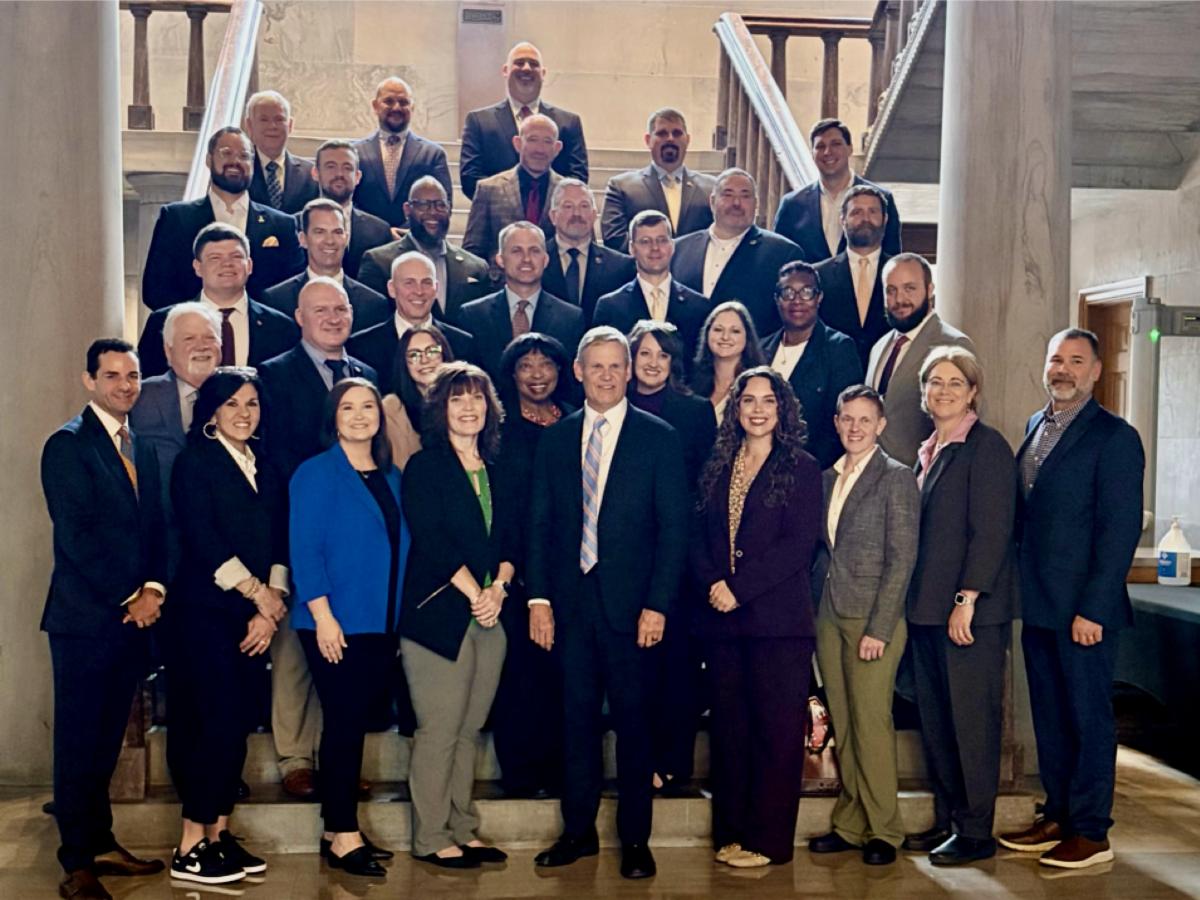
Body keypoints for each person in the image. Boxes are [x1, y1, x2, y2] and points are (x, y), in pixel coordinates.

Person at [528, 327, 689, 880]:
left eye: (616, 365)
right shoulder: (555, 439)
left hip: (634, 609)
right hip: (571, 606)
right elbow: (540, 523)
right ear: (578, 371)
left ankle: (635, 839)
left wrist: (658, 604)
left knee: (634, 725)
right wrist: (539, 598)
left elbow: (674, 529)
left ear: (628, 371)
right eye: (595, 366)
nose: (606, 375)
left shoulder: (659, 438)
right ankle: (578, 832)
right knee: (575, 722)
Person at [998, 329, 1144, 870]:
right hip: (1038, 603)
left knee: (1088, 719)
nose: (1063, 369)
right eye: (1056, 359)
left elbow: (1118, 530)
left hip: (1084, 611)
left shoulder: (1115, 437)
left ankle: (1091, 831)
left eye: (1076, 361)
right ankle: (1058, 814)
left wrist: (1094, 608)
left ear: (1096, 371)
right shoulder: (1036, 426)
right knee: (1051, 716)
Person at [41, 339, 167, 900]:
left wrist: (155, 589)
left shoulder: (143, 446)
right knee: (78, 744)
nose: (124, 385)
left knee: (106, 743)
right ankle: (76, 863)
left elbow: (157, 528)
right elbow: (77, 538)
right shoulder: (68, 445)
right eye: (112, 375)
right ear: (89, 380)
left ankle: (101, 842)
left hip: (132, 623)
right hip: (85, 622)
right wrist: (130, 596)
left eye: (132, 376)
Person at [694, 367, 823, 867]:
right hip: (723, 623)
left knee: (775, 734)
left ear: (783, 408)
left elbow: (798, 546)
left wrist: (739, 589)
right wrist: (713, 583)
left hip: (779, 625)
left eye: (768, 400)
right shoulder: (718, 463)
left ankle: (767, 842)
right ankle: (731, 833)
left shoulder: (802, 467)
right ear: (735, 408)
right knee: (730, 731)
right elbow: (697, 534)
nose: (758, 409)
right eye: (748, 400)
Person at [166, 367, 287, 885]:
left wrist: (271, 605)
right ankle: (190, 844)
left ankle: (218, 833)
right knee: (209, 726)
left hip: (254, 616)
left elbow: (281, 539)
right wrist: (259, 595)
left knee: (235, 727)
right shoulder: (195, 462)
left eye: (252, 403)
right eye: (233, 403)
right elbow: (203, 539)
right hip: (204, 616)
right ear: (212, 411)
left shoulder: (266, 465)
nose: (244, 413)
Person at [900, 347, 1017, 866]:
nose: (943, 391)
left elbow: (991, 532)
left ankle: (975, 832)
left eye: (955, 382)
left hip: (968, 613)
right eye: (935, 382)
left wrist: (967, 599)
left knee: (971, 723)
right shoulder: (930, 449)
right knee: (940, 722)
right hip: (927, 608)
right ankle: (950, 819)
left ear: (972, 392)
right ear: (924, 392)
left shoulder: (986, 448)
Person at [289, 378, 410, 878]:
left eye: (368, 407)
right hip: (334, 620)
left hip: (379, 621)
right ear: (333, 418)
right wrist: (323, 617)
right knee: (342, 724)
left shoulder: (391, 476)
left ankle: (335, 828)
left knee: (353, 723)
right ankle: (343, 833)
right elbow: (304, 549)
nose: (360, 416)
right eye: (348, 408)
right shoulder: (315, 473)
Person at [400, 362, 514, 869]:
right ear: (440, 409)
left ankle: (462, 828)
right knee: (440, 730)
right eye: (457, 398)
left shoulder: (498, 468)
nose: (469, 407)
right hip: (439, 617)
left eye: (477, 397)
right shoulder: (426, 467)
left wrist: (500, 590)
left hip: (491, 615)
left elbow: (512, 540)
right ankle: (431, 836)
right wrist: (477, 595)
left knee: (469, 731)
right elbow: (433, 538)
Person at [808, 385, 919, 867]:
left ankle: (884, 830)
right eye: (847, 419)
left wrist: (880, 627)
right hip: (830, 612)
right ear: (836, 422)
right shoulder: (826, 478)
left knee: (872, 723)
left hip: (873, 619)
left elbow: (902, 559)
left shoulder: (896, 477)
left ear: (881, 425)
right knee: (845, 721)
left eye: (865, 420)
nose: (855, 428)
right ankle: (851, 823)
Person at [627, 320, 716, 793]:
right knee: (634, 669)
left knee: (677, 665)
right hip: (624, 558)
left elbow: (707, 485)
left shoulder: (695, 411)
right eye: (644, 353)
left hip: (679, 557)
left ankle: (674, 762)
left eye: (662, 355)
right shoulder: (612, 406)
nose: (653, 363)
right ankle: (640, 761)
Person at [489, 333, 574, 798]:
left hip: (571, 568)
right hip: (515, 569)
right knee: (520, 674)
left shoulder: (576, 421)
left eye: (546, 365)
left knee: (565, 674)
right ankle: (521, 774)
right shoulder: (499, 429)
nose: (537, 374)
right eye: (526, 366)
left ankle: (559, 770)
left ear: (562, 371)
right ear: (512, 374)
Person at [141, 126, 305, 310]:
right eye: (226, 153)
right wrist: (194, 319)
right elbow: (155, 289)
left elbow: (294, 290)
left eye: (244, 156)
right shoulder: (176, 218)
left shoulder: (282, 224)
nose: (235, 161)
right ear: (209, 160)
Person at [130, 303, 222, 580]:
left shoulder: (243, 396)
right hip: (159, 551)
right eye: (189, 338)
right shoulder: (139, 397)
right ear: (168, 351)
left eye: (209, 337)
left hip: (224, 549)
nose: (201, 346)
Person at [138, 223, 299, 377]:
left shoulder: (282, 327)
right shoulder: (162, 322)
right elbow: (149, 384)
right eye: (215, 258)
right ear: (197, 267)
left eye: (236, 256)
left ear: (249, 265)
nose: (227, 264)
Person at [866, 253, 975, 467]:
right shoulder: (879, 347)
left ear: (930, 289)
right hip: (876, 474)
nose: (899, 299)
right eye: (891, 290)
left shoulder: (952, 344)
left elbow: (966, 425)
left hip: (923, 475)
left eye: (910, 288)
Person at [671, 168, 803, 336]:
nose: (736, 203)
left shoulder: (783, 253)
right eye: (728, 194)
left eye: (745, 196)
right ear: (712, 201)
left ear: (756, 204)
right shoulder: (679, 249)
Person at [759, 261, 863, 469]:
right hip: (757, 466)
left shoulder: (838, 348)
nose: (797, 300)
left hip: (810, 470)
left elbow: (841, 424)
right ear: (777, 299)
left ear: (819, 298)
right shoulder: (761, 349)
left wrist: (807, 471)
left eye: (806, 292)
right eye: (788, 292)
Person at [457, 222, 585, 383]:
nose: (526, 259)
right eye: (516, 251)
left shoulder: (570, 318)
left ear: (545, 260)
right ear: (500, 259)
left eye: (534, 251)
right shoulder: (473, 315)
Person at [460, 41, 588, 199]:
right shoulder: (479, 122)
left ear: (543, 73)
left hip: (551, 214)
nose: (526, 68)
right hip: (498, 213)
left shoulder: (569, 123)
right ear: (505, 70)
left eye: (533, 64)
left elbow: (578, 179)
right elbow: (470, 179)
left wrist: (543, 204)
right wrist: (512, 203)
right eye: (519, 63)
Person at [357, 177, 491, 323]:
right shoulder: (379, 262)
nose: (432, 211)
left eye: (440, 205)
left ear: (449, 209)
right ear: (407, 210)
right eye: (423, 205)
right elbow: (371, 324)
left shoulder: (476, 267)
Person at [773, 118, 902, 262]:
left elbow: (892, 261)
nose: (828, 152)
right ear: (812, 154)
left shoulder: (882, 199)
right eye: (820, 146)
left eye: (836, 144)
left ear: (850, 148)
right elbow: (779, 259)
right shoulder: (791, 205)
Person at [594, 210, 710, 370]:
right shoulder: (610, 307)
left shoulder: (699, 306)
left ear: (672, 246)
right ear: (632, 248)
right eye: (645, 241)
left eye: (662, 240)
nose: (655, 248)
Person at [348, 251, 477, 393]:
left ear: (436, 289)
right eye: (409, 283)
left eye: (426, 282)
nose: (419, 291)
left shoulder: (462, 343)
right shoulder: (362, 346)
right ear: (392, 289)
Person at [261, 198, 390, 332]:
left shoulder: (373, 304)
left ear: (346, 238)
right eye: (320, 232)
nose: (329, 241)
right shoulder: (276, 300)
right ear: (303, 239)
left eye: (337, 232)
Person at [601, 107, 717, 252]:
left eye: (677, 133)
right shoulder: (621, 187)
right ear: (648, 140)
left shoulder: (711, 188)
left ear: (687, 140)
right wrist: (653, 259)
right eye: (662, 133)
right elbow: (614, 239)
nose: (670, 138)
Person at [351, 77, 453, 228]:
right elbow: (348, 201)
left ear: (412, 107)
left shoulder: (433, 155)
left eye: (404, 102)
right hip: (366, 238)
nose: (396, 107)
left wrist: (404, 234)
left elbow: (444, 204)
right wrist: (380, 232)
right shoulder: (355, 153)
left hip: (415, 238)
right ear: (375, 105)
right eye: (389, 101)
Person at [462, 114, 564, 259]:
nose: (539, 149)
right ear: (517, 143)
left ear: (557, 148)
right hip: (499, 274)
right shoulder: (488, 189)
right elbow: (472, 252)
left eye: (547, 141)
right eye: (532, 140)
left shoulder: (569, 193)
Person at [813, 185, 893, 368]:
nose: (865, 219)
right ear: (842, 220)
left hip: (886, 374)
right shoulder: (818, 275)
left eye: (873, 211)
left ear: (885, 219)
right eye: (857, 212)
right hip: (832, 372)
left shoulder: (899, 274)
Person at [542, 179, 635, 322]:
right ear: (553, 216)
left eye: (584, 206)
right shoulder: (536, 261)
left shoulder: (620, 266)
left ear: (594, 215)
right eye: (568, 206)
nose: (577, 213)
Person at [305, 140, 394, 279]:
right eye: (331, 167)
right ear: (315, 173)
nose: (339, 174)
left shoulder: (380, 232)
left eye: (347, 168)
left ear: (358, 176)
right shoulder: (294, 226)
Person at [381, 323, 455, 470]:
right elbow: (400, 468)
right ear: (404, 363)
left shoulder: (464, 399)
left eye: (432, 351)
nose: (424, 360)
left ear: (444, 355)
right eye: (414, 355)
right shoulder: (392, 408)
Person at [243, 90, 318, 214]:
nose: (272, 126)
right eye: (264, 120)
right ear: (249, 125)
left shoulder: (311, 174)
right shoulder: (240, 171)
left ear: (290, 125)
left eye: (279, 119)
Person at [691, 301, 766, 423]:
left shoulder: (758, 385)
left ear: (747, 337)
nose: (725, 337)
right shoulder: (692, 385)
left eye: (735, 331)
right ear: (707, 333)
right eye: (718, 329)